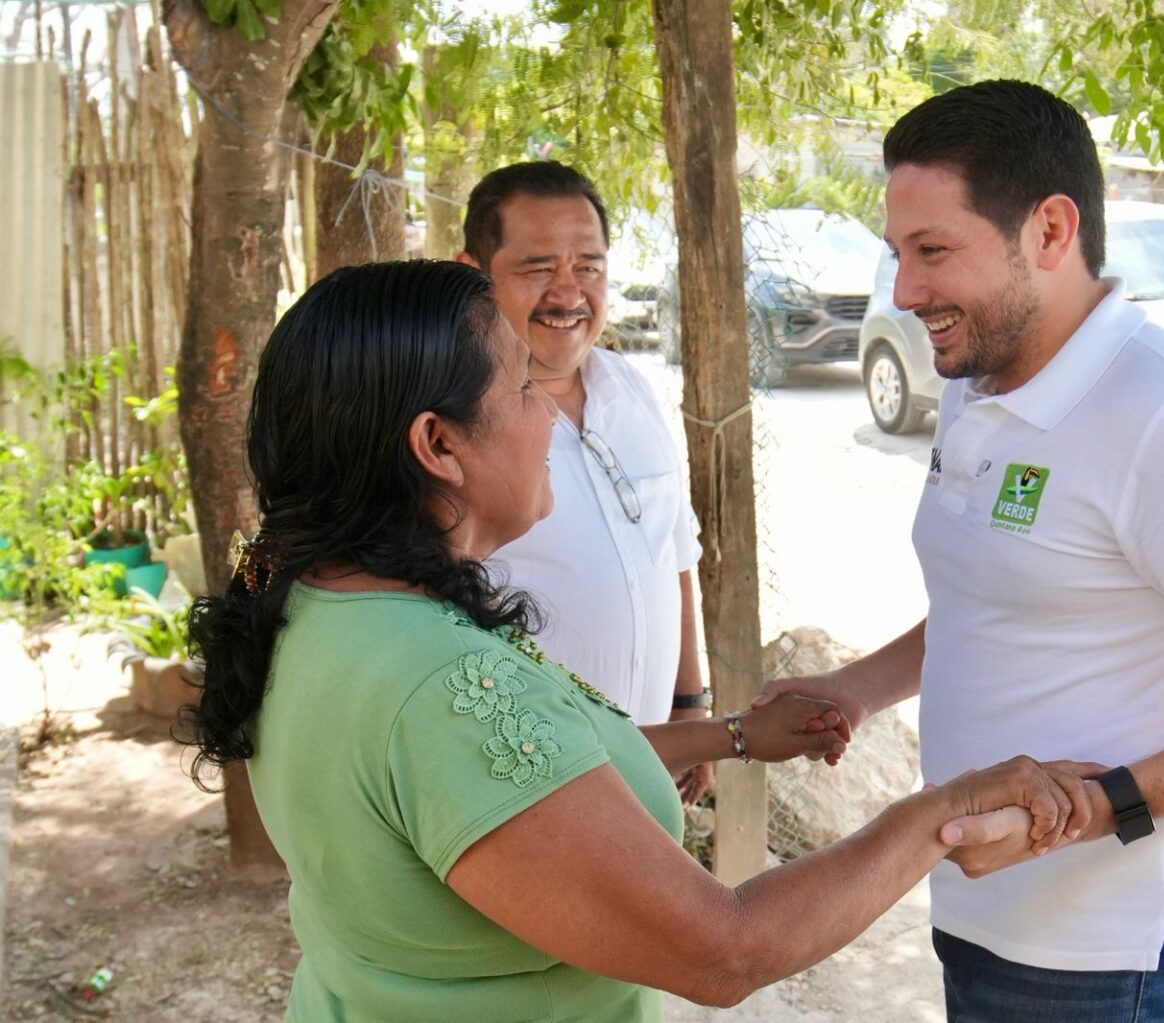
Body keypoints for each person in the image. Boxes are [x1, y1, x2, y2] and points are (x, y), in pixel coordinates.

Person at [184, 259, 1089, 1021]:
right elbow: (725, 950)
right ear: (438, 445)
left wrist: (730, 737)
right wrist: (939, 812)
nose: (549, 416)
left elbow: (526, 792)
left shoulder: (319, 605)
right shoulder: (442, 689)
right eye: (523, 386)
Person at [757, 80, 1164, 1022]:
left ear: (1050, 231)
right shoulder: (981, 372)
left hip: (1105, 955)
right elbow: (1006, 600)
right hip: (981, 905)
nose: (904, 291)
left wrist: (1094, 808)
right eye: (899, 254)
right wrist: (859, 686)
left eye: (934, 252)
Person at [454, 162, 715, 803]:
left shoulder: (630, 388)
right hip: (523, 785)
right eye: (538, 268)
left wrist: (690, 705)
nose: (568, 293)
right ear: (472, 274)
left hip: (652, 766)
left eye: (589, 267)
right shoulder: (449, 425)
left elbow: (674, 554)